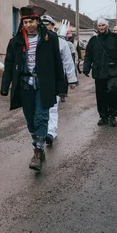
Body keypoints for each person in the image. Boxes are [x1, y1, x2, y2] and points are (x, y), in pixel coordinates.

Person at [1, 6, 66, 172]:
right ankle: (39, 144)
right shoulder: (16, 41)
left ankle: (37, 152)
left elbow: (57, 63)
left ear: (38, 21)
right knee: (30, 120)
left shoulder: (49, 38)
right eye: (25, 22)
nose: (28, 24)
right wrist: (5, 85)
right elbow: (9, 64)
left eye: (31, 21)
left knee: (41, 117)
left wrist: (62, 86)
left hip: (44, 85)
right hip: (25, 84)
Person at [83, 19, 117, 127]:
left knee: (113, 91)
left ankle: (113, 115)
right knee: (101, 95)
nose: (101, 27)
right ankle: (103, 116)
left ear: (107, 26)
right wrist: (86, 68)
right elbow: (88, 56)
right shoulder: (93, 40)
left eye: (103, 25)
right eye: (99, 25)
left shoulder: (116, 38)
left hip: (112, 71)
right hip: (99, 72)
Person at [41, 14, 77, 143]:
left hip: (54, 78)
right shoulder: (34, 40)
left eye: (47, 25)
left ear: (52, 27)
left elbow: (68, 61)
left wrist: (72, 79)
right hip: (38, 79)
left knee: (52, 106)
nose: (44, 28)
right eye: (42, 25)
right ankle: (41, 131)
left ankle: (50, 132)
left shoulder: (60, 42)